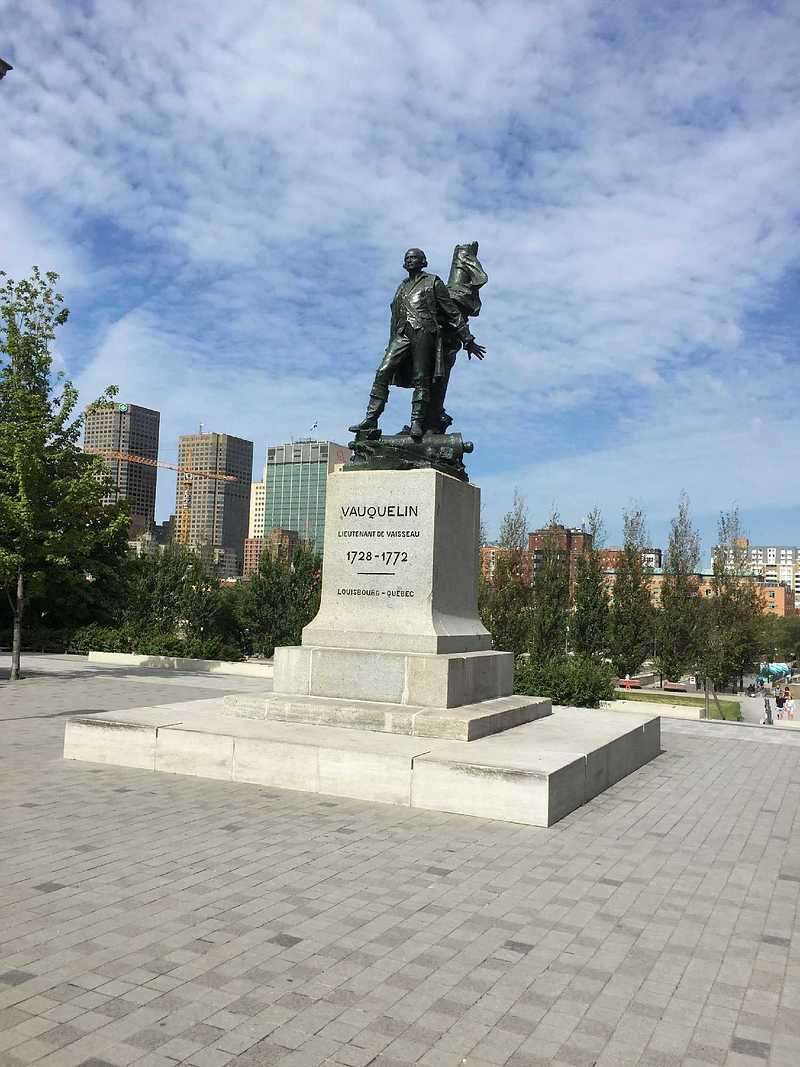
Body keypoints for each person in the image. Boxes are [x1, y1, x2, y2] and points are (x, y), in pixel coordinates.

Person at [349, 248, 486, 440]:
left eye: (414, 258)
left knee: (422, 379)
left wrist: (468, 339)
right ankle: (371, 420)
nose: (410, 260)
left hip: (424, 332)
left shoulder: (433, 281)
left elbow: (452, 312)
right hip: (402, 335)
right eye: (407, 258)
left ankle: (417, 422)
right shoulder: (402, 286)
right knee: (382, 372)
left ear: (423, 262)